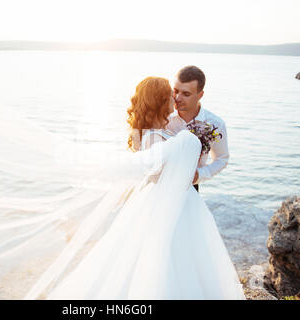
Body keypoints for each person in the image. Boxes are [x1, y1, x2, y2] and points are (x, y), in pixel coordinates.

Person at [25, 77, 245, 299]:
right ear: (161, 100)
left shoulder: (166, 130)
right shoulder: (153, 137)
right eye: (172, 94)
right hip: (165, 201)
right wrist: (186, 147)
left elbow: (208, 160)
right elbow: (159, 173)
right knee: (167, 256)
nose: (176, 98)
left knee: (189, 255)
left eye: (181, 93)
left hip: (180, 200)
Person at [166, 66, 229, 192]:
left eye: (186, 94)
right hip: (159, 186)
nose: (177, 98)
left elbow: (222, 159)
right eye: (176, 91)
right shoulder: (163, 117)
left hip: (190, 188)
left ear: (200, 95)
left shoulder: (215, 124)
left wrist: (200, 175)